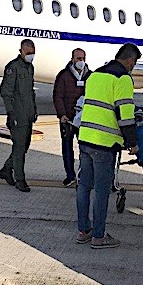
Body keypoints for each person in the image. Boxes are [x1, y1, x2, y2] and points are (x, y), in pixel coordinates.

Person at [75, 43, 141, 249]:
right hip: (104, 143)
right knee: (102, 191)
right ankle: (98, 236)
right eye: (134, 64)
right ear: (130, 61)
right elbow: (125, 115)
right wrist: (132, 143)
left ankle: (83, 231)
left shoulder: (94, 75)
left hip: (85, 138)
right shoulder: (123, 79)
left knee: (84, 186)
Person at [0, 38, 37, 193]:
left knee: (24, 146)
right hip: (17, 115)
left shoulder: (30, 68)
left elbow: (30, 92)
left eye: (33, 53)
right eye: (28, 52)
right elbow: (5, 92)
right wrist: (11, 113)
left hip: (27, 114)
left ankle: (7, 169)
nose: (31, 55)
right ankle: (20, 180)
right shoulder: (13, 68)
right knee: (19, 148)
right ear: (21, 51)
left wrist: (34, 110)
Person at [52, 48, 91, 187]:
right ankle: (70, 175)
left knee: (85, 149)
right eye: (78, 58)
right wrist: (61, 114)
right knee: (67, 148)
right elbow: (58, 96)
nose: (81, 61)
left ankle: (84, 175)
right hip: (67, 119)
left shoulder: (90, 76)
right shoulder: (64, 76)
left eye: (83, 58)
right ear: (72, 59)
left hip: (83, 119)